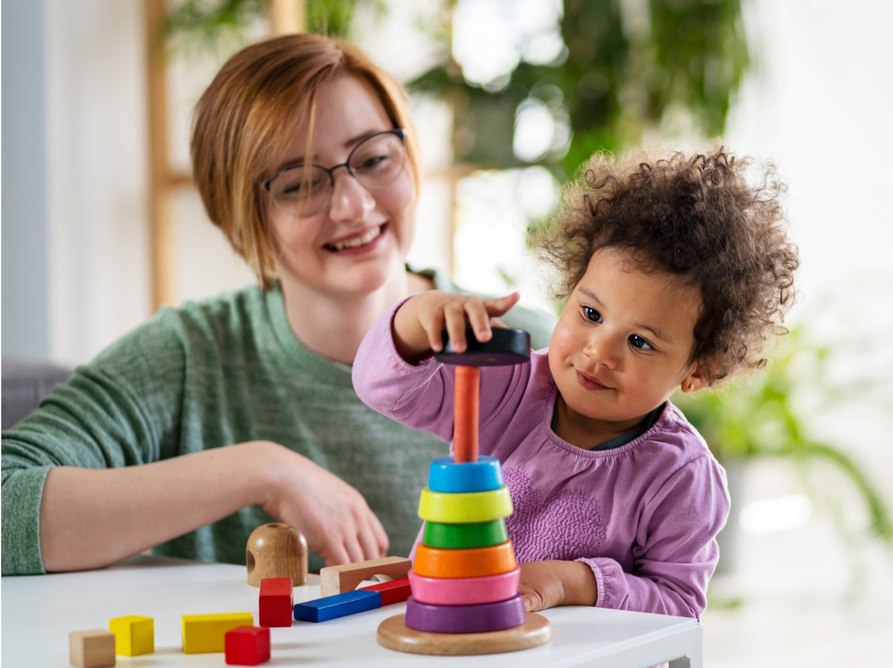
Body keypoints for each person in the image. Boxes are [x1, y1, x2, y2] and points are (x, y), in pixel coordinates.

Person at [0, 33, 551, 577]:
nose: (353, 205)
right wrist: (260, 469)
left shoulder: (539, 354)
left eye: (374, 158)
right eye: (299, 184)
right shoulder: (188, 358)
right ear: (242, 214)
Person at [352, 147, 799, 668]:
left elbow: (678, 610)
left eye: (639, 342)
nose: (598, 351)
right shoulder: (509, 387)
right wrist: (416, 322)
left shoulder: (681, 476)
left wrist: (577, 583)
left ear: (697, 371)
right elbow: (384, 387)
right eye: (590, 314)